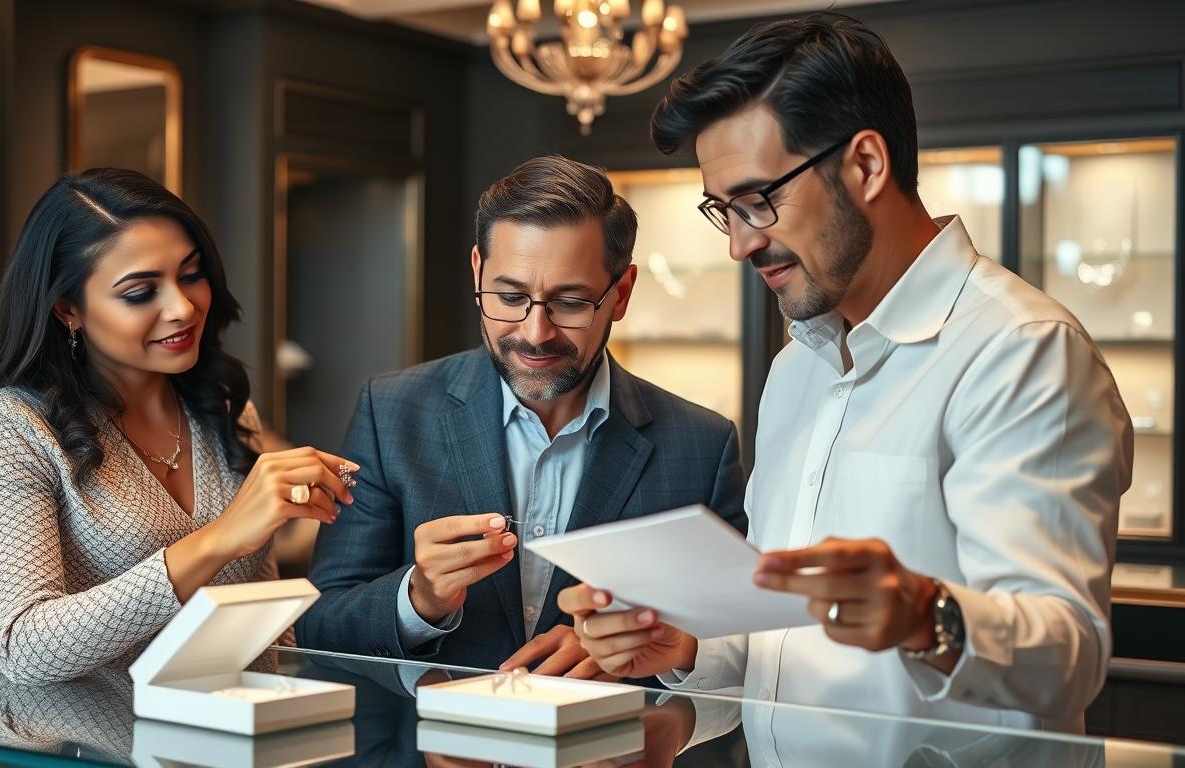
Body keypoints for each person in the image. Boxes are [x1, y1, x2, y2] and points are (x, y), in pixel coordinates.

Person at [560, 13, 1132, 731]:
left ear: (865, 164)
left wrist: (927, 613)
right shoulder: (795, 367)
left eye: (758, 200)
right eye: (723, 211)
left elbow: (1068, 659)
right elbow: (779, 642)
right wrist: (685, 646)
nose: (740, 244)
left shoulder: (1023, 352)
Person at [297, 156, 746, 675]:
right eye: (509, 297)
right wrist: (418, 599)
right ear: (477, 272)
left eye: (571, 302)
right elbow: (319, 626)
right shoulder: (392, 411)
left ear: (620, 294)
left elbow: (734, 646)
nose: (535, 333)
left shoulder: (701, 445)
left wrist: (645, 646)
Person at [0, 168, 357, 684]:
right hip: (76, 746)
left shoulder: (224, 409)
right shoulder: (7, 428)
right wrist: (220, 538)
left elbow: (259, 632)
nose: (183, 307)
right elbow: (22, 648)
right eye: (141, 292)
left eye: (191, 274)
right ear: (67, 308)